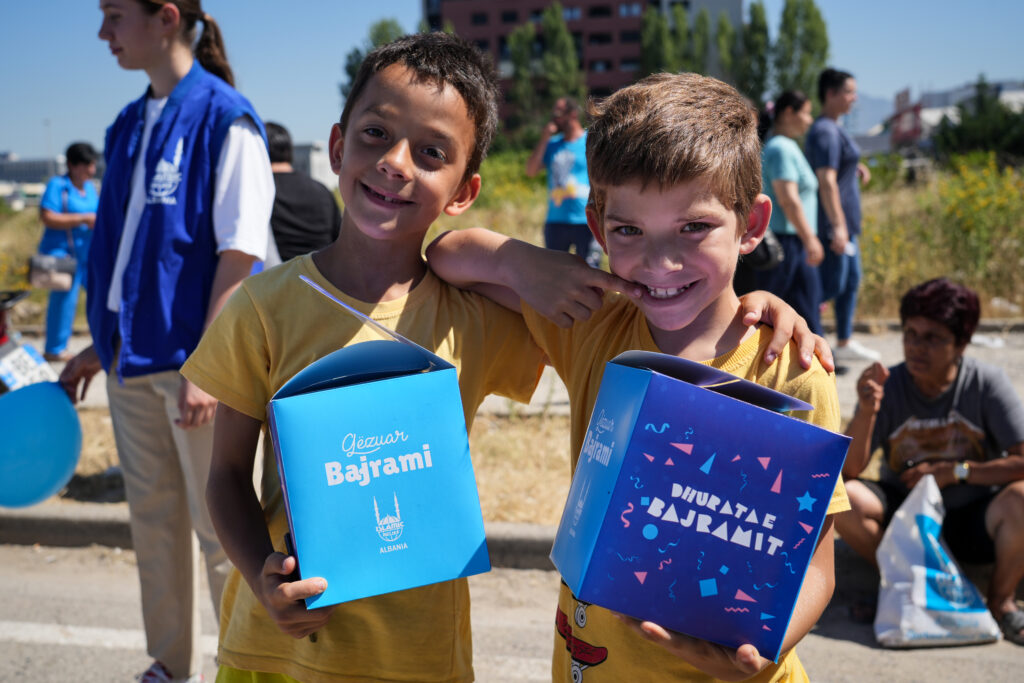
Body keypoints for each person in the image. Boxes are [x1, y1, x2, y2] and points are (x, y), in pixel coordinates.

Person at [427, 72, 848, 682]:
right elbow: (446, 255)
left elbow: (816, 567)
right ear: (598, 228)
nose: (660, 262)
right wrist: (530, 264)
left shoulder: (792, 368)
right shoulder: (592, 324)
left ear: (752, 225)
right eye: (629, 231)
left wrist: (762, 654)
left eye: (694, 228)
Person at [58, 2, 274, 681]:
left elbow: (240, 256)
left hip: (197, 366)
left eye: (115, 15)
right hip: (131, 363)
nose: (103, 33)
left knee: (223, 534)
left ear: (166, 18)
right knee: (153, 526)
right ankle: (170, 664)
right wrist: (103, 340)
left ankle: (246, 666)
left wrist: (210, 364)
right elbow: (128, 254)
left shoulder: (225, 117)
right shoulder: (127, 123)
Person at [835, 278, 1024, 646]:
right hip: (908, 523)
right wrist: (868, 412)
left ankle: (1001, 602)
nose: (916, 348)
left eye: (933, 338)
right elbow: (850, 472)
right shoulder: (889, 385)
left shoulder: (985, 384)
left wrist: (956, 473)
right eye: (910, 334)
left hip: (974, 519)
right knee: (842, 496)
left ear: (962, 344)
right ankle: (901, 587)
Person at [806, 67, 879, 363]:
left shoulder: (835, 128)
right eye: (849, 92)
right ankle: (809, 337)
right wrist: (838, 226)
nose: (854, 98)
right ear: (831, 94)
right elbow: (826, 180)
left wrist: (856, 168)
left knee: (850, 281)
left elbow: (838, 166)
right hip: (834, 225)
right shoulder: (824, 130)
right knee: (831, 284)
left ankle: (844, 340)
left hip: (846, 224)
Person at [755, 91, 824, 335]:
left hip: (791, 241)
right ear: (788, 113)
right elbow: (789, 199)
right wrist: (810, 238)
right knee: (803, 311)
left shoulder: (785, 146)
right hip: (788, 243)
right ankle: (820, 366)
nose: (809, 120)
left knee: (801, 311)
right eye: (805, 112)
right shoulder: (781, 148)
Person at [37, 142, 99, 362]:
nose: (91, 170)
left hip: (88, 254)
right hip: (63, 254)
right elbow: (48, 216)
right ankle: (54, 348)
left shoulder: (90, 188)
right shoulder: (58, 185)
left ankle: (102, 342)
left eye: (92, 165)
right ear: (72, 165)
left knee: (100, 297)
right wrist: (82, 219)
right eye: (86, 165)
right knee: (64, 301)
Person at [525, 96, 603, 268]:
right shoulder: (552, 144)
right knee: (555, 272)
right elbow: (530, 171)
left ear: (573, 114)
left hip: (586, 219)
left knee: (591, 269)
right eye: (554, 113)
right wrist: (544, 137)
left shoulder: (590, 140)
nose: (555, 118)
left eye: (559, 113)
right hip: (556, 220)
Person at [265, 121, 341, 261]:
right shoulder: (321, 190)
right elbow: (339, 238)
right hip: (320, 277)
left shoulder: (261, 192)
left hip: (276, 277)